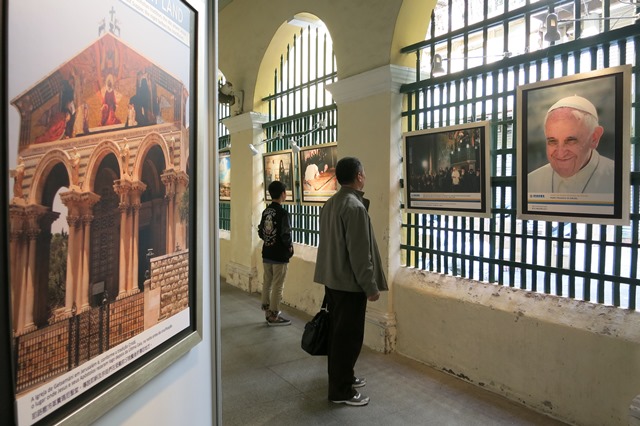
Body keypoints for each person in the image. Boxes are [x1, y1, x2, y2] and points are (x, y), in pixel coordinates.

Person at [314, 157, 388, 406]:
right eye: (364, 172)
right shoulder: (354, 208)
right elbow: (359, 253)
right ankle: (341, 391)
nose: (365, 176)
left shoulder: (332, 203)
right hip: (349, 284)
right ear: (358, 176)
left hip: (333, 280)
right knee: (349, 338)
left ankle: (344, 376)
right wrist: (370, 286)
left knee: (339, 335)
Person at [528, 95, 614, 193]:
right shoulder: (531, 181)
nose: (561, 154)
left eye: (570, 141)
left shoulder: (616, 178)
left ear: (594, 138)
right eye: (552, 141)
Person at [257, 181, 294, 326]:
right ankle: (274, 315)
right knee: (278, 285)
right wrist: (289, 246)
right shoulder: (283, 213)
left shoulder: (266, 211)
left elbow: (261, 231)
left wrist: (268, 240)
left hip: (267, 252)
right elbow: (286, 234)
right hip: (279, 254)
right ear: (282, 194)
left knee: (267, 282)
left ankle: (267, 311)